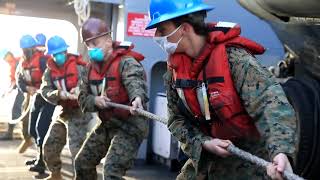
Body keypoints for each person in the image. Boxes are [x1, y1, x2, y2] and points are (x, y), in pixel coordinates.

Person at [145, 0, 297, 179]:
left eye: (162, 30)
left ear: (184, 28)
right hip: (204, 161)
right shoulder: (175, 70)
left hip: (246, 164)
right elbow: (175, 119)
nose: (156, 36)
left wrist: (280, 151)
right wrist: (204, 142)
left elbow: (271, 104)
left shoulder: (235, 60)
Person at [74, 17, 149, 180]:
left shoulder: (127, 62)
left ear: (109, 40)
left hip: (131, 125)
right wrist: (95, 101)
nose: (91, 49)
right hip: (109, 123)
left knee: (111, 171)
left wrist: (137, 98)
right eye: (88, 45)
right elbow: (82, 98)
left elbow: (135, 81)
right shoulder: (89, 69)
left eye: (96, 44)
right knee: (82, 163)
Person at [40, 35, 92, 180]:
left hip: (79, 112)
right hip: (63, 111)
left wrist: (79, 90)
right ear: (52, 55)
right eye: (56, 54)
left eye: (62, 52)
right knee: (50, 144)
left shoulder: (80, 67)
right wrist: (58, 94)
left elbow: (92, 84)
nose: (60, 56)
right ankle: (55, 174)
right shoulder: (49, 72)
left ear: (66, 51)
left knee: (76, 149)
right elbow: (44, 91)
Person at [16, 34, 55, 174]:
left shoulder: (44, 60)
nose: (27, 51)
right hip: (36, 98)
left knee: (41, 128)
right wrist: (27, 88)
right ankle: (39, 156)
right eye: (24, 49)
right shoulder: (22, 63)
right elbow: (19, 80)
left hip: (48, 99)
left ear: (34, 47)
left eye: (29, 48)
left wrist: (44, 89)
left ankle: (42, 161)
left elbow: (54, 77)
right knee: (32, 129)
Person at [0, 51, 25, 141]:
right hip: (22, 89)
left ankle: (11, 134)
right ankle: (18, 134)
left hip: (25, 89)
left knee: (17, 109)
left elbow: (19, 78)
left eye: (5, 57)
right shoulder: (12, 65)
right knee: (18, 110)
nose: (5, 60)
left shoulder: (18, 61)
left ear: (9, 55)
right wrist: (7, 92)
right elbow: (13, 81)